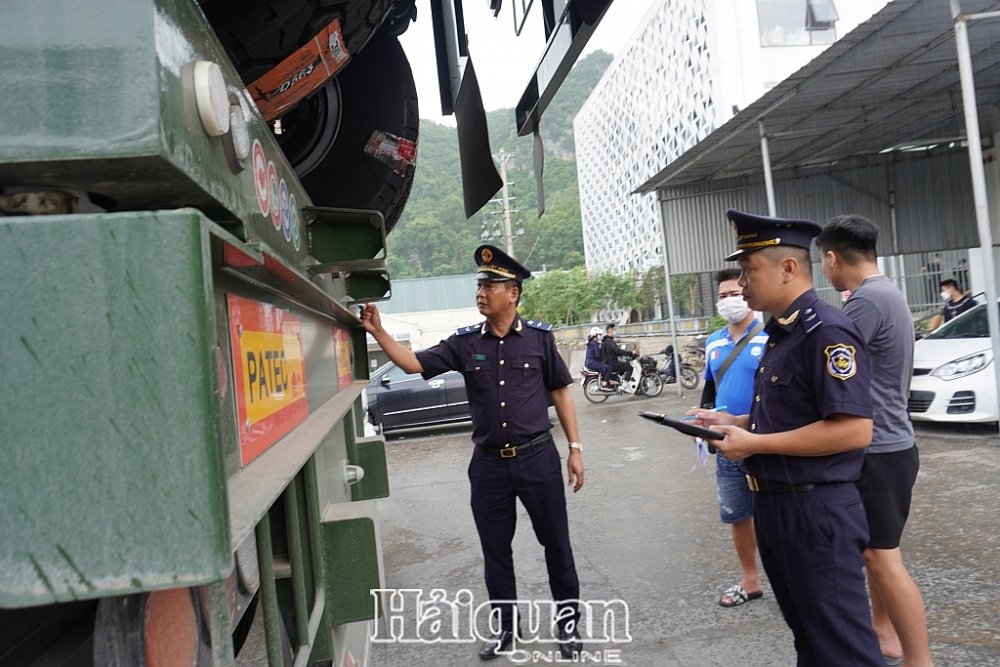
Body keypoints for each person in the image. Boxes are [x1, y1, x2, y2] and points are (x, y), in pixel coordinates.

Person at [361, 245, 586, 661]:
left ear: (513, 293)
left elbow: (560, 392)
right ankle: (506, 629)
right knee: (495, 551)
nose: (481, 292)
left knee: (556, 544)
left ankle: (568, 627)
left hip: (538, 458)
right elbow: (412, 364)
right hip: (488, 466)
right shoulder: (465, 344)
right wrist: (379, 332)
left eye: (490, 285)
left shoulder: (539, 339)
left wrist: (574, 448)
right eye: (479, 285)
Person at [688, 208, 885, 667]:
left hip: (816, 510)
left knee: (843, 648)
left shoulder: (827, 330)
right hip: (776, 505)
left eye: (750, 270)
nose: (742, 282)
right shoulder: (781, 334)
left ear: (789, 269)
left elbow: (855, 429)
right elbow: (787, 416)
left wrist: (754, 445)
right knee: (809, 639)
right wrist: (732, 422)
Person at [817, 215, 934, 667]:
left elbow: (832, 372)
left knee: (884, 559)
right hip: (894, 445)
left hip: (879, 450)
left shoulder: (864, 302)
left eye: (822, 262)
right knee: (876, 552)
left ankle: (919, 660)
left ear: (831, 257)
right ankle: (883, 632)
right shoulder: (889, 293)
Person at [700, 269, 767, 608]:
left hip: (769, 443)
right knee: (737, 513)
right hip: (727, 444)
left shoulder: (771, 336)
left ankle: (794, 579)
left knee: (779, 512)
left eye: (735, 293)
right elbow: (710, 392)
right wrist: (699, 423)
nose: (730, 301)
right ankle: (750, 580)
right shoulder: (713, 342)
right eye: (723, 296)